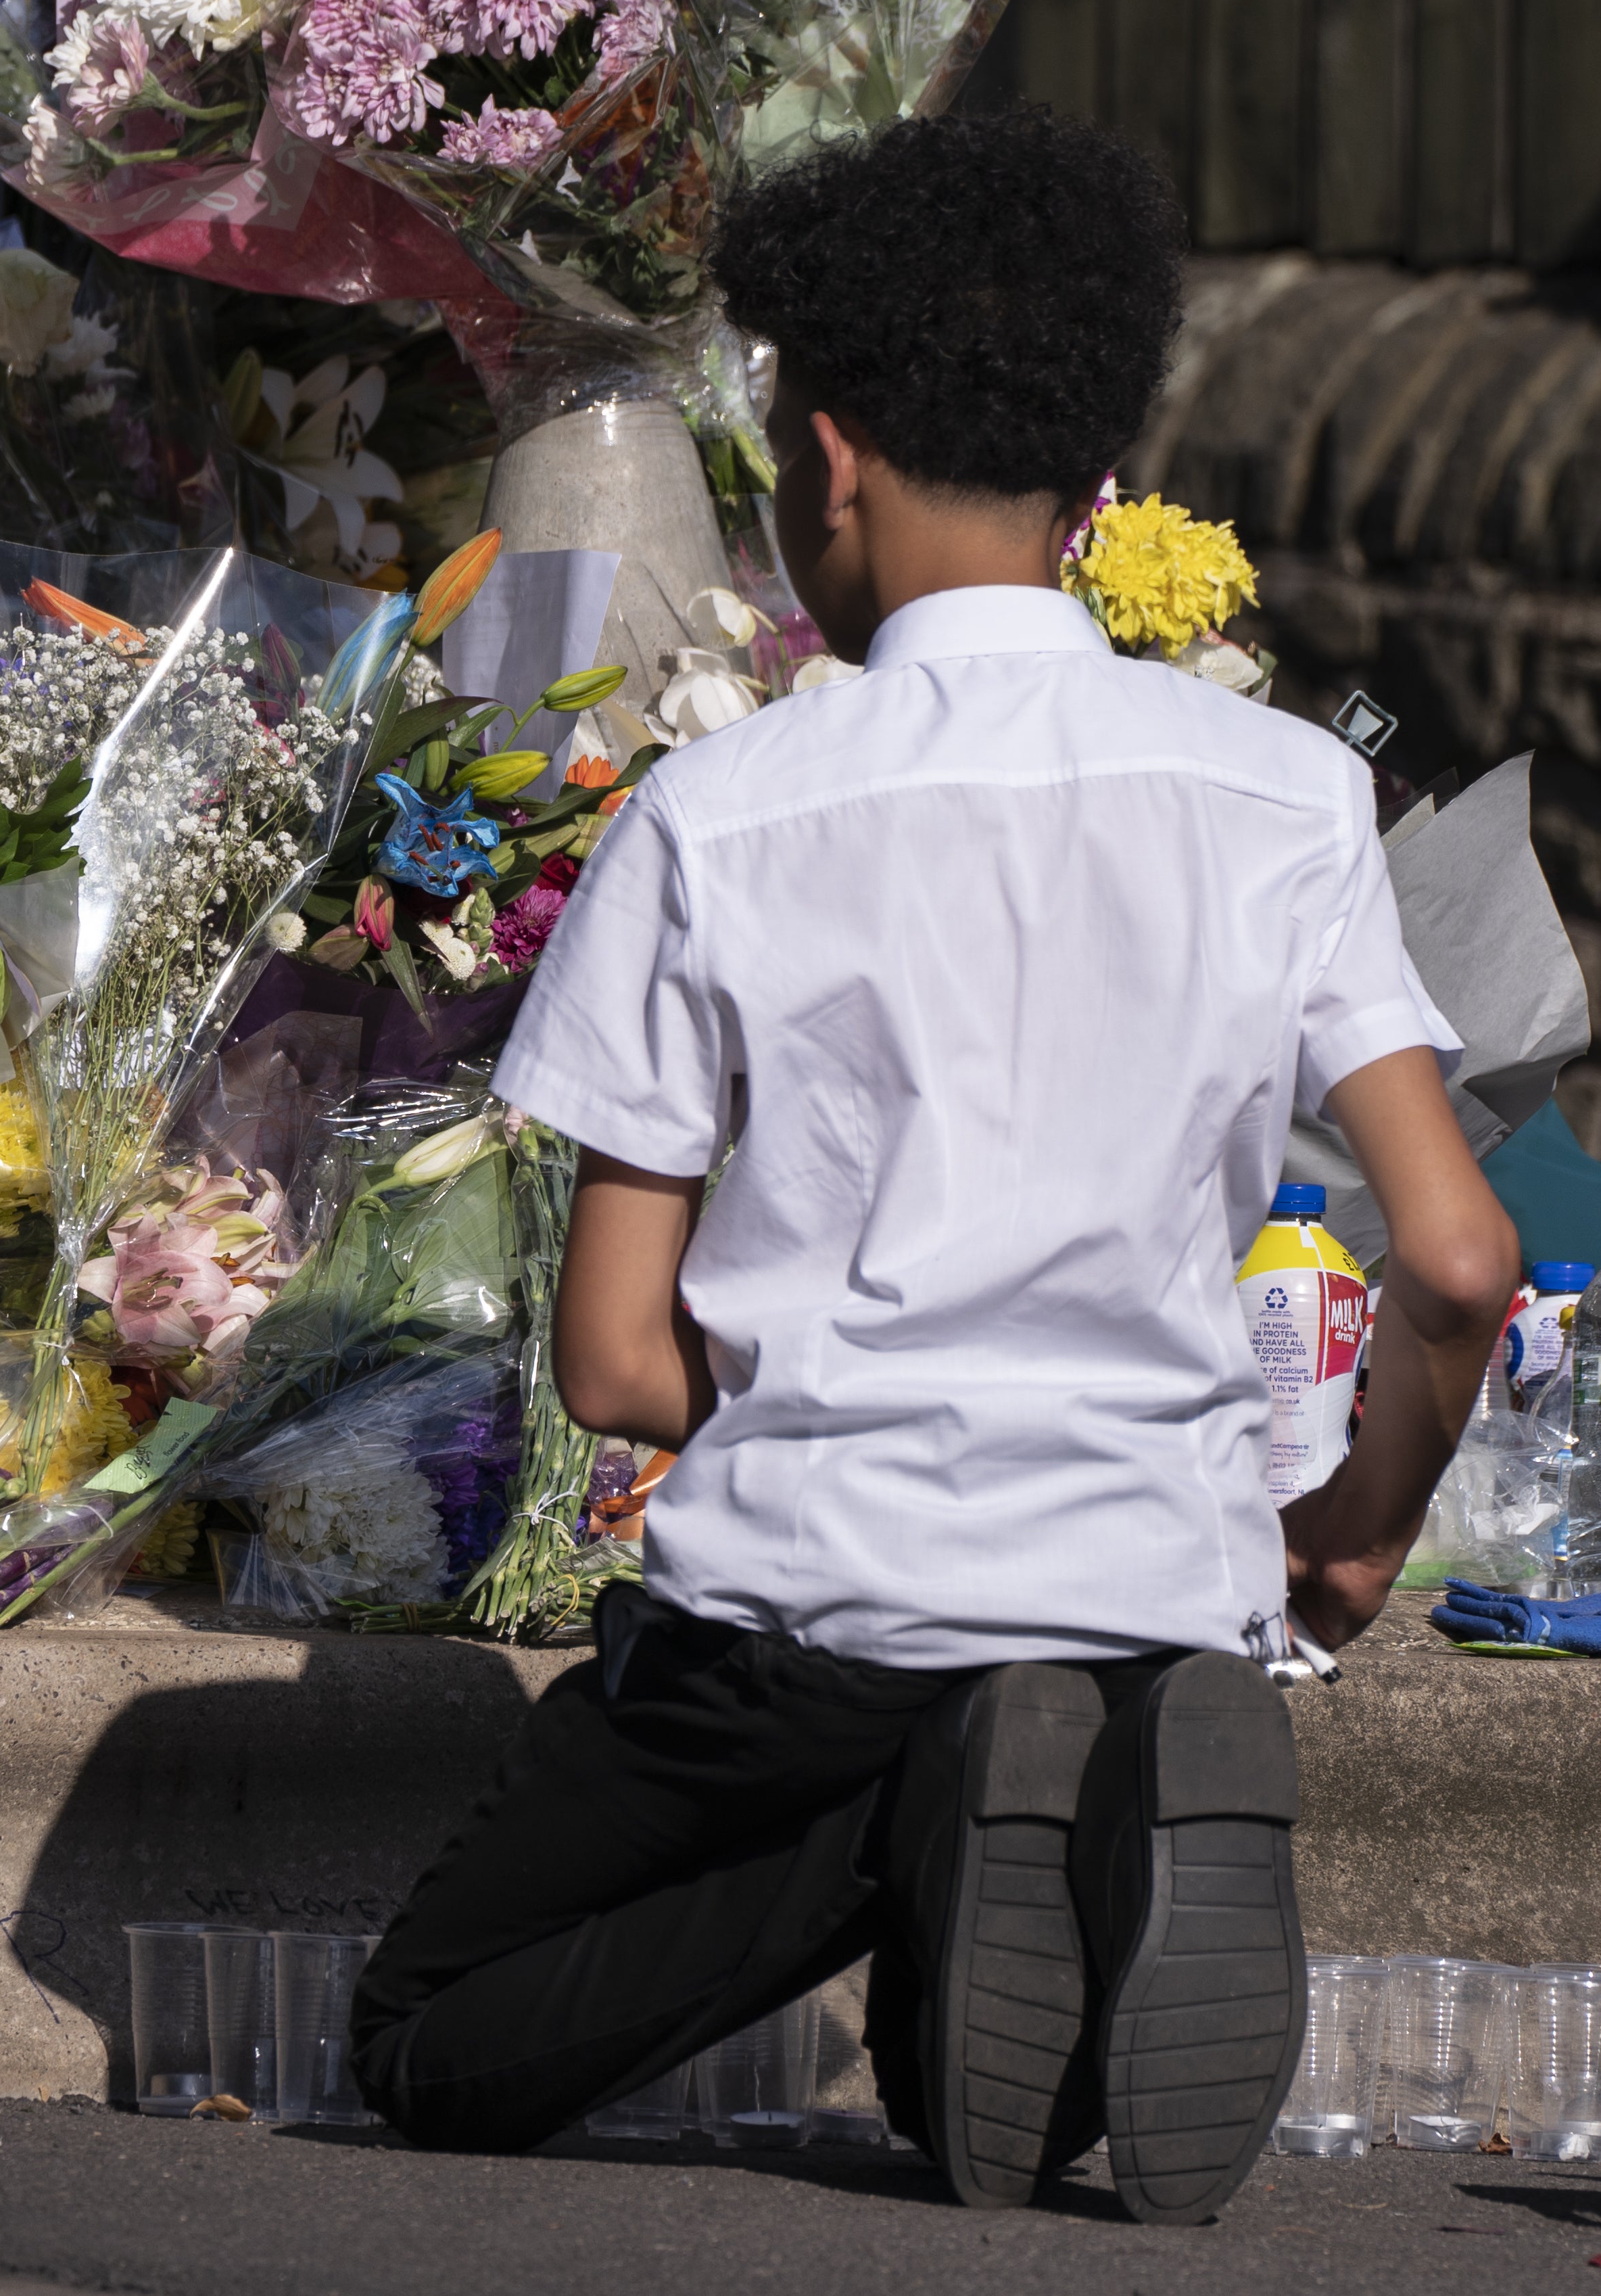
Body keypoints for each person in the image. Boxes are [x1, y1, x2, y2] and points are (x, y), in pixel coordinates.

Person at [344, 106, 1521, 2222]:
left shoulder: (720, 814)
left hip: (805, 1616)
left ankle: (908, 1807)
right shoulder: (1277, 798)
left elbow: (614, 1364)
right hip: (1154, 1613)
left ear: (829, 461)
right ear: (1096, 482)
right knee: (1001, 2069)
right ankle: (1013, 1792)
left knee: (431, 2032)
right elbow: (1454, 1247)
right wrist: (1342, 1535)